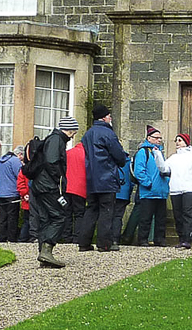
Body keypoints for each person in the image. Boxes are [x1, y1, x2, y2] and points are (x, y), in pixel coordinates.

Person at [77, 104, 129, 252]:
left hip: (91, 178)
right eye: (109, 115)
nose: (110, 117)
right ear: (104, 117)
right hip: (106, 177)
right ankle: (104, 243)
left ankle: (84, 243)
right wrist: (121, 160)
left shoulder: (87, 134)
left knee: (91, 209)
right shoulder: (108, 133)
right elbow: (119, 155)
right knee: (107, 210)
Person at [34, 116, 78, 267]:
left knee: (46, 219)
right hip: (48, 186)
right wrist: (58, 179)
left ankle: (44, 255)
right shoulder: (56, 140)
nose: (74, 136)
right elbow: (52, 161)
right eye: (74, 132)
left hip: (42, 185)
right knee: (60, 217)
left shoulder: (54, 139)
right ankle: (46, 250)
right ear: (70, 130)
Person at [166, 133, 192, 248]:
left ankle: (187, 239)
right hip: (175, 190)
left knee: (188, 215)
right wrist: (156, 154)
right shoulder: (173, 158)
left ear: (186, 142)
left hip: (190, 189)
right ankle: (181, 239)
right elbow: (163, 168)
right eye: (176, 140)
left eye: (180, 140)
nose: (177, 143)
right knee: (178, 215)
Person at [133, 125, 172, 247]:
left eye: (160, 138)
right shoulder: (143, 152)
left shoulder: (159, 152)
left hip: (161, 192)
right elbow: (139, 171)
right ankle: (143, 239)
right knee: (145, 218)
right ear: (149, 138)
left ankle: (159, 240)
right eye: (156, 138)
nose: (159, 140)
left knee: (161, 219)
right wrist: (148, 184)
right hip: (148, 192)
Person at [0, 145, 24, 242]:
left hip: (1, 193)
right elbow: (20, 175)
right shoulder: (15, 161)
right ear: (20, 154)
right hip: (12, 193)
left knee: (3, 217)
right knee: (12, 217)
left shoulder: (1, 161)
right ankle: (11, 239)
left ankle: (2, 238)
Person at [63, 139, 88, 249]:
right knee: (79, 214)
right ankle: (77, 237)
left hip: (67, 187)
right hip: (80, 188)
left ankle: (66, 236)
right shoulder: (86, 155)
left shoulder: (68, 153)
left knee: (67, 213)